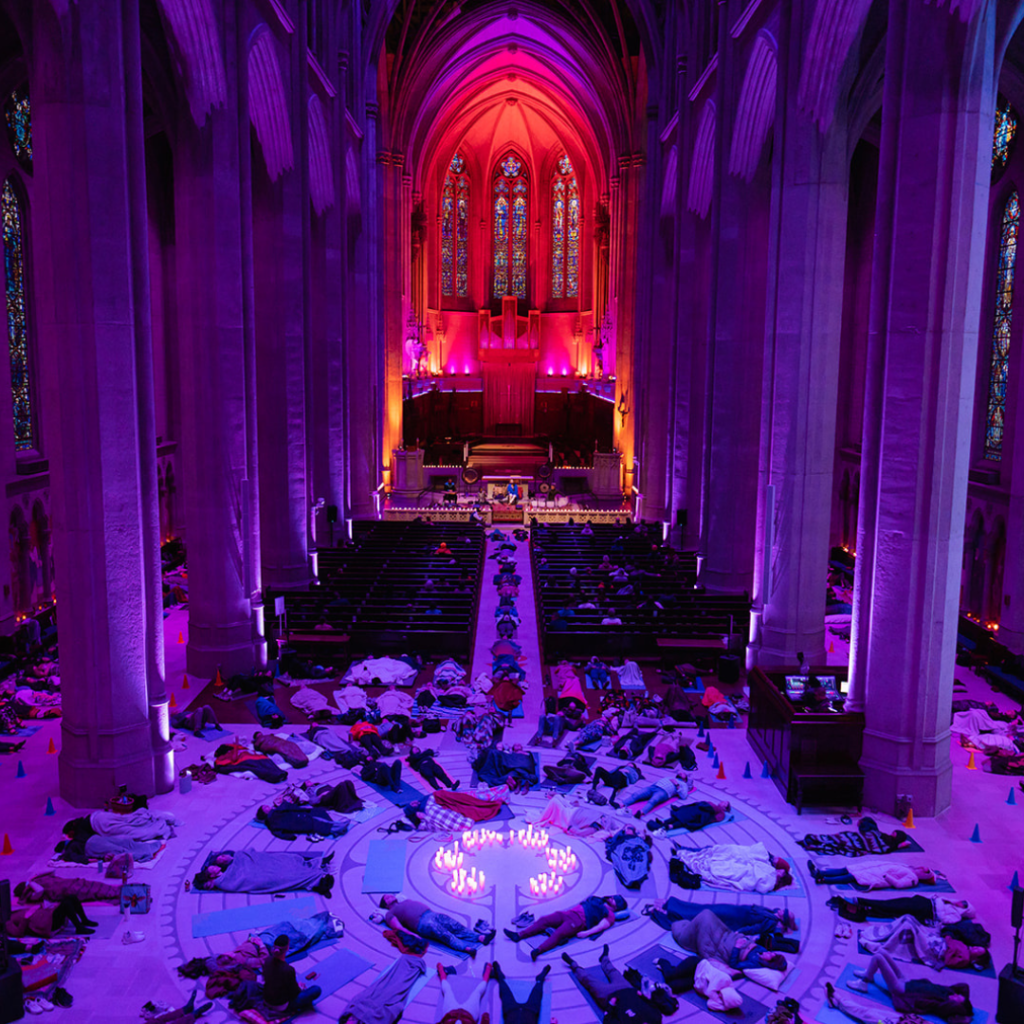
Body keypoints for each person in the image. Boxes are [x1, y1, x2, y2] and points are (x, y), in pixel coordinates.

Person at [844, 951, 973, 1022]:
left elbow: (957, 1011)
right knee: (882, 952)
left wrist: (966, 1014)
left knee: (878, 958)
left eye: (958, 998)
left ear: (956, 1006)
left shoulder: (943, 1005)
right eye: (958, 995)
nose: (956, 994)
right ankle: (869, 974)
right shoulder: (948, 992)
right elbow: (964, 986)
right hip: (906, 981)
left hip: (901, 991)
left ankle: (863, 983)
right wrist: (964, 1000)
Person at [562, 944, 665, 1024]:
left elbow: (607, 1021)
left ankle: (573, 964)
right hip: (628, 989)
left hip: (609, 995)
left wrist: (611, 1005)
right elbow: (653, 1004)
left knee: (588, 980)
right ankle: (604, 958)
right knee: (613, 971)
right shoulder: (656, 1018)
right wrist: (642, 996)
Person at [503, 894, 626, 960]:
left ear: (617, 906)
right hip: (567, 914)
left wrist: (586, 933)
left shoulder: (610, 915)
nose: (611, 898)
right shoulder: (598, 900)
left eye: (615, 900)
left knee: (559, 933)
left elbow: (600, 927)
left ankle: (538, 950)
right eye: (613, 897)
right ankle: (519, 935)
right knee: (544, 920)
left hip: (578, 922)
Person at [670, 909, 788, 973]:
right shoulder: (762, 951)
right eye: (771, 953)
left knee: (705, 917)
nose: (767, 953)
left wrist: (737, 946)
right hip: (727, 934)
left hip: (721, 945)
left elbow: (734, 965)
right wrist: (745, 937)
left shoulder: (754, 964)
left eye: (770, 956)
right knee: (708, 915)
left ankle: (682, 928)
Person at [374, 895, 496, 956]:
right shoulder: (389, 914)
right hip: (421, 923)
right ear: (385, 904)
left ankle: (480, 937)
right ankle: (466, 948)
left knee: (455, 925)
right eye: (387, 898)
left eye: (390, 895)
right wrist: (413, 935)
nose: (390, 896)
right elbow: (398, 927)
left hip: (431, 914)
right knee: (444, 933)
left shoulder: (404, 901)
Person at [263, 934, 322, 1014]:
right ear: (287, 948)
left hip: (266, 999)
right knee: (316, 990)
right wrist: (300, 987)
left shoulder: (266, 961)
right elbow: (294, 992)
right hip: (281, 1006)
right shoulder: (288, 970)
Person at [5, 894, 97, 938]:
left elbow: (31, 912)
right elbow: (18, 934)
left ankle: (84, 920)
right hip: (46, 925)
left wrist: (41, 907)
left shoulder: (11, 913)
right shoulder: (7, 922)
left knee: (71, 897)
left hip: (47, 916)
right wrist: (26, 917)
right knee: (66, 904)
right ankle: (79, 927)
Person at [808, 861, 937, 890]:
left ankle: (823, 879)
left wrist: (887, 876)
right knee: (846, 869)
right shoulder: (908, 867)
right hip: (874, 868)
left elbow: (899, 885)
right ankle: (820, 872)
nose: (919, 867)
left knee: (850, 877)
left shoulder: (913, 879)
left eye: (922, 869)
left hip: (879, 876)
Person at [621, 773, 691, 818]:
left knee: (653, 800)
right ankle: (622, 804)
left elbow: (684, 796)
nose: (681, 773)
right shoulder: (669, 777)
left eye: (683, 773)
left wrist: (677, 785)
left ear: (685, 779)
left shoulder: (683, 784)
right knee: (636, 794)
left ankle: (641, 812)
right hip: (653, 787)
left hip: (664, 791)